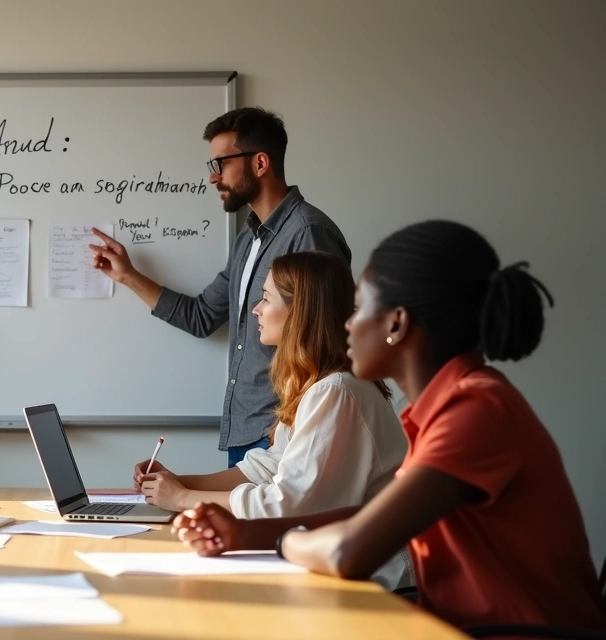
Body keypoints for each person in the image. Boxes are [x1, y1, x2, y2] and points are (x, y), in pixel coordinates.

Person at [173, 221, 606, 631]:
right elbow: (370, 516)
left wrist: (283, 541)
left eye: (359, 308)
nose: (345, 323)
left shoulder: (476, 409)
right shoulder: (441, 408)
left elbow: (348, 550)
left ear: (396, 325)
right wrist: (244, 531)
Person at [91, 107, 350, 466]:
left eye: (221, 164)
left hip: (284, 433)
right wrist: (128, 276)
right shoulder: (249, 240)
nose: (213, 178)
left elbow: (328, 341)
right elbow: (201, 317)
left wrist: (292, 419)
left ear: (260, 163)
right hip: (246, 430)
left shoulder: (307, 233)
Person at [137, 251, 410, 588]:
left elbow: (287, 506)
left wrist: (181, 499)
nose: (256, 310)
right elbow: (268, 467)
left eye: (266, 298)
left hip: (381, 582)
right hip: (346, 569)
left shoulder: (336, 391)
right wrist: (180, 482)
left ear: (300, 312)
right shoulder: (317, 385)